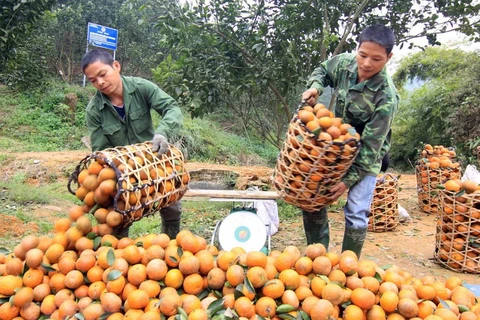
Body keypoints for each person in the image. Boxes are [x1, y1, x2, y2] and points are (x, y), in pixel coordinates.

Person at [301, 25, 399, 257]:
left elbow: (371, 149)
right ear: (357, 49)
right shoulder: (345, 64)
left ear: (389, 57)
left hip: (367, 155)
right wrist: (315, 87)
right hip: (335, 147)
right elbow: (323, 70)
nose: (366, 63)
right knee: (313, 198)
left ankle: (347, 267)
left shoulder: (386, 97)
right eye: (363, 55)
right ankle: (318, 258)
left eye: (376, 59)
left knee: (356, 212)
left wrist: (347, 181)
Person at [81, 48, 183, 239]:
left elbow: (171, 107)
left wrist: (163, 133)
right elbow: (101, 151)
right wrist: (112, 178)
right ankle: (119, 252)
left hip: (153, 161)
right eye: (93, 80)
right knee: (117, 215)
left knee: (172, 204)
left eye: (102, 74)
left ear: (116, 66)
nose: (100, 82)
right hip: (122, 171)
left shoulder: (141, 88)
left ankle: (170, 243)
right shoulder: (94, 110)